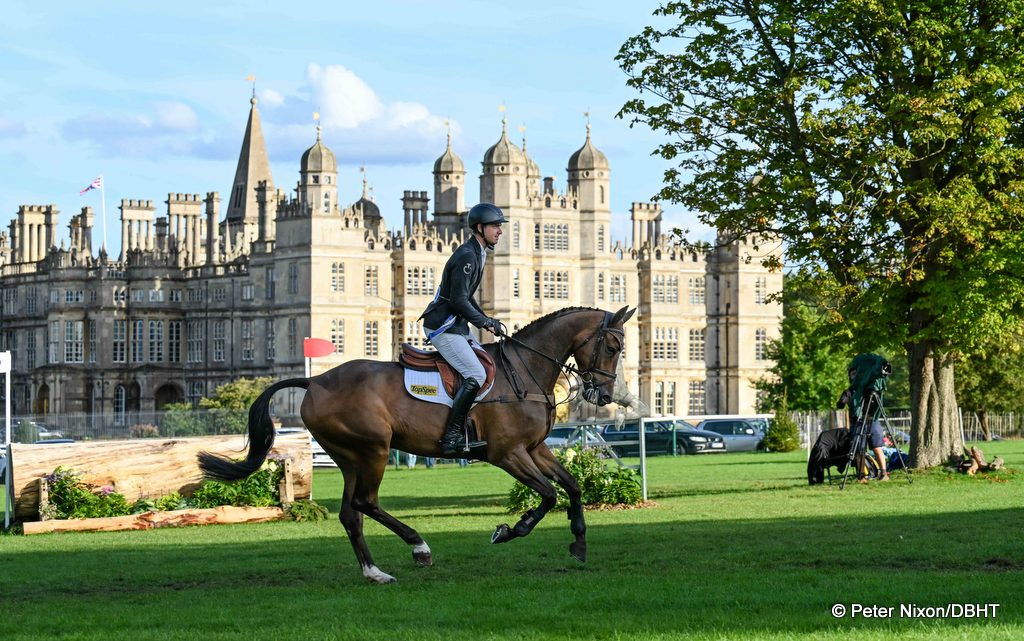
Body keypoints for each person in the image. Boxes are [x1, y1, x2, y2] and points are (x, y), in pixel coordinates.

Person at [420, 202, 505, 455]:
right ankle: (451, 437)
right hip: (444, 327)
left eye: (500, 226)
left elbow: (467, 297)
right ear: (480, 228)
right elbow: (458, 300)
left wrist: (485, 318)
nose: (499, 231)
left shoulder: (478, 251)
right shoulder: (468, 255)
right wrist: (484, 323)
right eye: (495, 226)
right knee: (476, 375)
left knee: (486, 365)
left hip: (456, 325)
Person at [837, 353, 891, 482]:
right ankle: (861, 476)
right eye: (852, 374)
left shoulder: (873, 390)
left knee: (877, 447)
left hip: (872, 420)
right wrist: (845, 398)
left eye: (856, 373)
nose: (854, 376)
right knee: (859, 449)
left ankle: (884, 474)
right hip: (858, 421)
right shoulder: (851, 391)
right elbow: (839, 405)